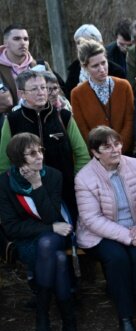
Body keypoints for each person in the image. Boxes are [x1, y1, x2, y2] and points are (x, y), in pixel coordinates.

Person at [75, 126, 136, 331]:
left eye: (117, 144)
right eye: (107, 146)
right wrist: (128, 236)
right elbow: (91, 219)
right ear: (95, 152)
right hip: (100, 233)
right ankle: (125, 318)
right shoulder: (84, 178)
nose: (115, 150)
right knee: (117, 259)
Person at [0, 133, 80, 331]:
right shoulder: (5, 183)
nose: (39, 156)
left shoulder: (53, 176)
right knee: (59, 260)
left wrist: (37, 184)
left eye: (40, 150)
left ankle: (43, 313)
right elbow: (11, 227)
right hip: (27, 241)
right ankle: (68, 322)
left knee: (49, 244)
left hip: (55, 235)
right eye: (32, 153)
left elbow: (52, 215)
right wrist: (49, 228)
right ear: (19, 159)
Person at [0, 70, 89, 220]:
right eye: (34, 89)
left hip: (66, 192)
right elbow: (4, 162)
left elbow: (82, 155)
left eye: (43, 87)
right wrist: (19, 187)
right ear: (22, 94)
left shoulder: (63, 116)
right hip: (28, 195)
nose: (41, 92)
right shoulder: (13, 120)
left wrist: (76, 183)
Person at [71, 40, 135, 156]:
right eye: (95, 66)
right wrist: (101, 152)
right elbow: (83, 128)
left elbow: (129, 120)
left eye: (103, 63)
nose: (102, 69)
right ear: (85, 67)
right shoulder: (77, 94)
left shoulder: (124, 86)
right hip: (98, 156)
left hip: (125, 153)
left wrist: (119, 148)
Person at [0, 24, 56, 111]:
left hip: (41, 119)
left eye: (26, 39)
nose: (23, 43)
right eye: (17, 39)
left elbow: (57, 93)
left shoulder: (41, 66)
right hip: (9, 121)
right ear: (6, 43)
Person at [63, 24, 126, 99]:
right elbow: (69, 97)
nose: (81, 47)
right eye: (78, 43)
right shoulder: (74, 70)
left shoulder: (116, 71)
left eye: (85, 43)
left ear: (99, 44)